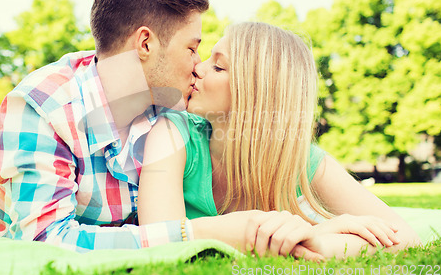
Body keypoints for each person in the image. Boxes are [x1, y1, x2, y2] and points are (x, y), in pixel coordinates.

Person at [0, 0, 211, 252]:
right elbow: (44, 240)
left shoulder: (171, 108)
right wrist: (190, 235)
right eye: (192, 49)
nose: (199, 66)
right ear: (145, 43)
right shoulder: (42, 107)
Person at [137, 22, 421, 258]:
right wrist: (299, 233)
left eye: (218, 66)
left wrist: (317, 242)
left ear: (256, 93)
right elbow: (160, 239)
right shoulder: (173, 133)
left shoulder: (301, 159)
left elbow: (405, 236)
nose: (198, 67)